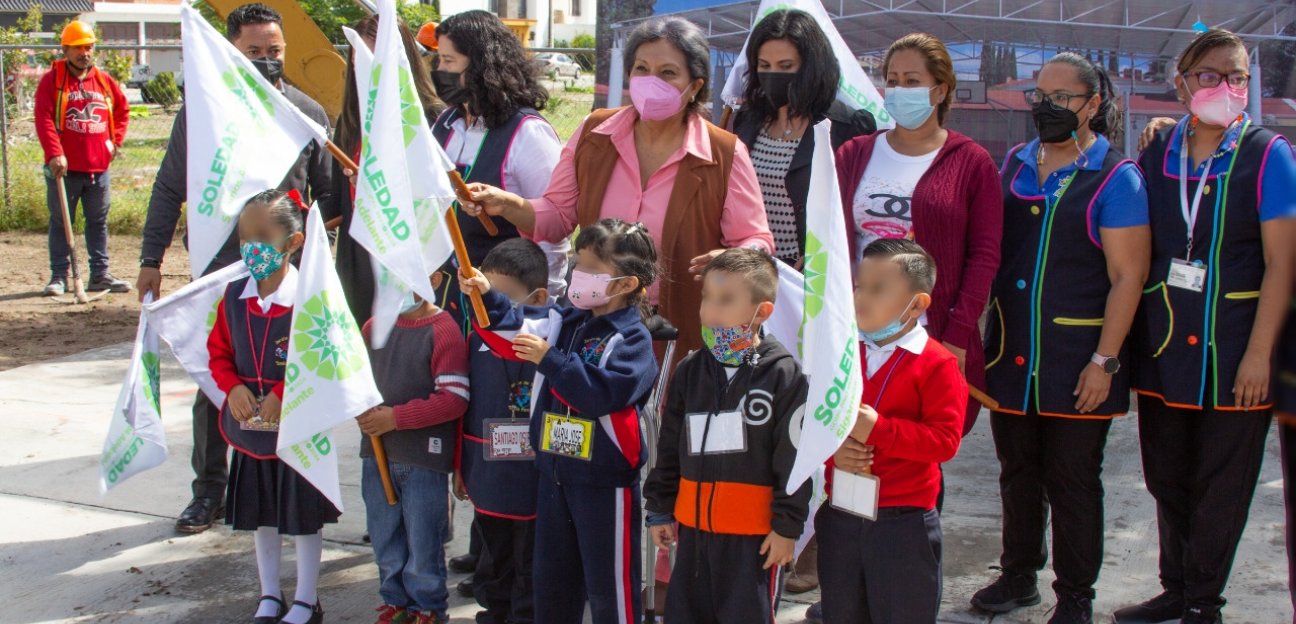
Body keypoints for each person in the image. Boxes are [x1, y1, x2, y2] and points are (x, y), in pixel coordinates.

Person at [459, 16, 773, 361]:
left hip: (681, 325)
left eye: (668, 73)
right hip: (598, 322)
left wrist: (731, 259)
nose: (651, 82)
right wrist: (509, 204)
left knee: (669, 412)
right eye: (641, 69)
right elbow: (559, 215)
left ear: (695, 85)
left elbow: (755, 241)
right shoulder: (595, 134)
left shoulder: (724, 152)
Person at [1115, 29, 1296, 624]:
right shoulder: (1157, 152)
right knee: (1166, 475)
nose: (1227, 87)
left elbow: (1282, 263)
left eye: (1238, 76)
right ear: (1183, 83)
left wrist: (1257, 355)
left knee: (1223, 484)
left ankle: (1203, 602)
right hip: (1165, 345)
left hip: (1235, 346)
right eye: (1212, 75)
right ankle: (1175, 586)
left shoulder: (1268, 155)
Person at [138, 3, 335, 534]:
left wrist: (314, 257)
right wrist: (150, 259)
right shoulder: (203, 116)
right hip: (221, 274)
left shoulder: (307, 115)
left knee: (286, 377)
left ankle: (295, 484)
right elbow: (168, 188)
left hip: (284, 277)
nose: (268, 61)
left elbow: (331, 199)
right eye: (254, 53)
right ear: (232, 53)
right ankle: (209, 490)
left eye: (275, 52)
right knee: (218, 379)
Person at [973, 53, 1150, 624]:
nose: (1045, 108)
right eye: (1038, 97)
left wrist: (1104, 360)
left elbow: (1128, 276)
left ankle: (1075, 596)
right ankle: (1018, 574)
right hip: (1010, 354)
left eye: (1060, 98)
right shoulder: (1017, 163)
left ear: (1093, 105)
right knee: (1017, 470)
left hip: (1077, 359)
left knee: (1073, 480)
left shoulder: (1115, 177)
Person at [459, 219, 659, 624]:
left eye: (591, 270)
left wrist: (551, 360)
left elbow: (601, 394)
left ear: (625, 285)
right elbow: (514, 326)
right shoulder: (565, 320)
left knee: (610, 587)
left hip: (603, 482)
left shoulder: (632, 341)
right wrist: (487, 298)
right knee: (552, 582)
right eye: (576, 264)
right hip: (553, 473)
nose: (577, 276)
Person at [835, 33, 1001, 431]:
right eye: (892, 81)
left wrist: (958, 336)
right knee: (852, 445)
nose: (898, 90)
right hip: (857, 334)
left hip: (927, 337)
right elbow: (831, 240)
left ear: (940, 90)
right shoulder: (854, 153)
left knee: (915, 446)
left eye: (912, 81)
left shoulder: (971, 163)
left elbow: (984, 256)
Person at [642, 248, 810, 623]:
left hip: (753, 541)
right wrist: (660, 507)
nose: (710, 310)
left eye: (726, 300)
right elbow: (670, 446)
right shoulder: (690, 369)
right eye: (707, 298)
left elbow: (794, 458)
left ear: (761, 312)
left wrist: (787, 526)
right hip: (692, 534)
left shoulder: (783, 376)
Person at [815, 238, 965, 623]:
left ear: (916, 305)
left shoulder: (937, 364)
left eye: (878, 289)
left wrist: (878, 429)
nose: (862, 297)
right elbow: (811, 417)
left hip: (903, 522)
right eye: (860, 286)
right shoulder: (843, 351)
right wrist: (834, 449)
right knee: (842, 612)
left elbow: (945, 442)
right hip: (842, 514)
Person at [208, 190, 336, 624]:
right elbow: (219, 353)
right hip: (251, 431)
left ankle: (305, 598)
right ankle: (269, 595)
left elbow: (323, 357)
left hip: (296, 430)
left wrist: (286, 389)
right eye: (245, 236)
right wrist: (231, 388)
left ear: (294, 242)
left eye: (263, 236)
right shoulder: (232, 297)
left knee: (300, 517)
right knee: (261, 515)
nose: (252, 247)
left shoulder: (311, 298)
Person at [428, 11, 569, 318]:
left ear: (480, 64)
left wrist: (541, 307)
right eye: (438, 60)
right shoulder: (445, 124)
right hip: (446, 294)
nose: (440, 70)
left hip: (503, 306)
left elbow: (552, 231)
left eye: (449, 62)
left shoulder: (528, 133)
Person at [360, 272, 470, 624]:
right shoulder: (373, 327)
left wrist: (396, 418)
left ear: (435, 278)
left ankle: (428, 608)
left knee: (424, 539)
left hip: (424, 458)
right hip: (375, 454)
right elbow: (355, 381)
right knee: (384, 535)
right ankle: (395, 601)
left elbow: (454, 399)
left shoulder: (444, 331)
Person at [323, 14, 444, 326]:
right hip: (359, 261)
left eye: (377, 58)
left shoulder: (432, 119)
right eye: (359, 57)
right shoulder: (349, 123)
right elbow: (337, 200)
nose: (367, 67)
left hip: (412, 260)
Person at [730, 9, 875, 266]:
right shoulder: (747, 120)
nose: (773, 74)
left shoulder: (845, 126)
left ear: (811, 67)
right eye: (764, 66)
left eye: (786, 66)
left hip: (812, 275)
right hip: (751, 270)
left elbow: (853, 208)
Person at [458, 238, 552, 624]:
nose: (489, 307)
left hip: (532, 475)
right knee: (492, 556)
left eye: (500, 297)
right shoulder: (475, 339)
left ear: (538, 296)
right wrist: (460, 469)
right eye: (483, 296)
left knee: (530, 560)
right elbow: (465, 408)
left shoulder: (548, 337)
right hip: (487, 472)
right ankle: (492, 613)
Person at [34, 20, 131, 296]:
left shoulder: (103, 80)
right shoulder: (52, 81)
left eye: (88, 47)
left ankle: (100, 275)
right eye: (77, 48)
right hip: (64, 169)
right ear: (65, 49)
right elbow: (43, 119)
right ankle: (59, 277)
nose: (84, 53)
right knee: (61, 222)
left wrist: (114, 143)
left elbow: (122, 111)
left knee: (98, 222)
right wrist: (55, 153)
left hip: (98, 168)